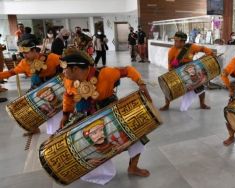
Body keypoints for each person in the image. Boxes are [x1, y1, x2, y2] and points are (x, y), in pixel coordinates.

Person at [59, 49, 152, 185]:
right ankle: (92, 170)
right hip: (85, 116)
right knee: (88, 146)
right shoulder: (69, 81)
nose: (63, 72)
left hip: (110, 111)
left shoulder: (106, 74)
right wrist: (65, 114)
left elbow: (128, 70)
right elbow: (68, 96)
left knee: (137, 136)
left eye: (65, 69)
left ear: (75, 68)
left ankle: (133, 167)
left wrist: (141, 84)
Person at [0, 39, 61, 135]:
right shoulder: (24, 63)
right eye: (22, 53)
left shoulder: (52, 57)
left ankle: (57, 129)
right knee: (28, 107)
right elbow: (11, 72)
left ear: (34, 50)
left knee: (53, 109)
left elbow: (66, 64)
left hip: (53, 86)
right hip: (36, 86)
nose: (24, 55)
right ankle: (34, 128)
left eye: (26, 53)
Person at [159, 31, 213, 111]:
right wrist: (170, 74)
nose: (174, 42)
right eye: (174, 41)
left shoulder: (191, 47)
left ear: (182, 41)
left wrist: (210, 53)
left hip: (191, 69)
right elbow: (170, 64)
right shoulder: (172, 51)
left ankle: (202, 104)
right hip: (177, 70)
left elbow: (203, 48)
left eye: (176, 41)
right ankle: (167, 104)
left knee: (200, 86)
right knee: (168, 87)